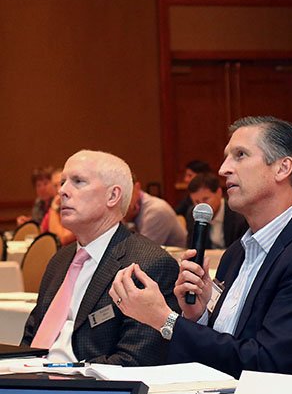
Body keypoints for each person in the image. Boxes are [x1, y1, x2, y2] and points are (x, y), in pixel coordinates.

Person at [110, 116, 292, 379]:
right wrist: (199, 316)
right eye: (227, 157)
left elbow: (269, 365)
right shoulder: (236, 253)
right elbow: (229, 348)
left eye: (240, 155)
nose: (223, 169)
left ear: (282, 168)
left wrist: (164, 319)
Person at [21, 150, 180, 366]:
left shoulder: (148, 265)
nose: (62, 191)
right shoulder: (60, 260)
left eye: (78, 181)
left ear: (112, 196)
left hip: (85, 382)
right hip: (31, 377)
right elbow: (30, 337)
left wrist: (63, 374)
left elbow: (134, 360)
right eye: (63, 182)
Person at [185, 172, 248, 249]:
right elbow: (192, 247)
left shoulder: (238, 213)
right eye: (197, 202)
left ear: (219, 192)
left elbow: (242, 249)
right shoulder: (195, 214)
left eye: (206, 199)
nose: (202, 205)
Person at [125, 174, 187, 248]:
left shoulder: (156, 211)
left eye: (125, 192)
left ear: (137, 187)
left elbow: (143, 251)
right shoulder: (132, 209)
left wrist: (126, 220)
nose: (121, 199)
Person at [40, 168, 76, 245]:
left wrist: (53, 208)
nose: (59, 189)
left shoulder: (76, 207)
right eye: (55, 186)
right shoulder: (56, 207)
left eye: (61, 184)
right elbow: (43, 231)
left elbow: (62, 239)